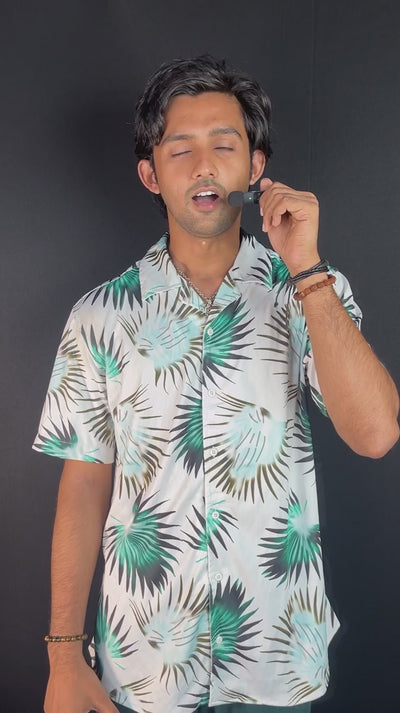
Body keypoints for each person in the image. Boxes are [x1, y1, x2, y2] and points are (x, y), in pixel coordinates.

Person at [33, 55, 399, 713]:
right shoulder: (100, 316)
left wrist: (307, 268)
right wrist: (63, 656)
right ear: (151, 173)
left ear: (255, 168)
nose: (204, 165)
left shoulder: (308, 293)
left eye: (224, 146)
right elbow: (83, 485)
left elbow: (375, 434)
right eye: (181, 149)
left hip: (276, 658)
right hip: (145, 667)